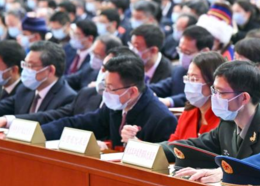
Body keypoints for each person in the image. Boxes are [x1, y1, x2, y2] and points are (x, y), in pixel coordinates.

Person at [41, 53, 177, 149]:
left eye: (111, 88)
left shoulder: (162, 118)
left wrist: (137, 146)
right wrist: (40, 133)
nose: (105, 93)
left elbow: (164, 162)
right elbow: (79, 123)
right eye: (105, 86)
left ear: (132, 92)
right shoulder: (116, 107)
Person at [169, 60, 260, 160]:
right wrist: (154, 150)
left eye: (221, 92)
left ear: (243, 98)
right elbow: (193, 146)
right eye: (214, 90)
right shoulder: (228, 123)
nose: (214, 97)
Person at [0, 47, 134, 128]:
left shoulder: (129, 104)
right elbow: (57, 118)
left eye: (109, 70)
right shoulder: (86, 94)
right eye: (103, 68)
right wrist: (9, 121)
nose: (104, 74)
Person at [0, 41, 76, 124]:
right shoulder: (25, 89)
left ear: (50, 70)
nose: (25, 69)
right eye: (25, 64)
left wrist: (7, 121)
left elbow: (43, 119)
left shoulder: (68, 97)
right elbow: (1, 106)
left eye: (31, 65)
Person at [153, 26, 214, 108]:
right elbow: (164, 86)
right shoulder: (179, 70)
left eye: (187, 52)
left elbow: (196, 97)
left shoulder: (213, 75)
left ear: (204, 51)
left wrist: (169, 101)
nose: (182, 56)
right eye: (180, 50)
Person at [233, 37, 260, 106]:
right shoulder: (233, 79)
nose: (234, 63)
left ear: (258, 66)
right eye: (235, 58)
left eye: (240, 60)